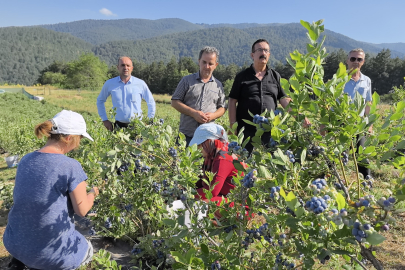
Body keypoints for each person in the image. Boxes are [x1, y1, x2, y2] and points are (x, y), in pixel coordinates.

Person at [4, 110, 99, 270]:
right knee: (88, 247)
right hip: (53, 257)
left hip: (14, 243)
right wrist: (93, 192)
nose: (79, 144)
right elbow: (82, 210)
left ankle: (23, 261)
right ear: (69, 138)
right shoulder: (70, 166)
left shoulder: (26, 159)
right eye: (80, 139)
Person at [228, 39, 310, 153]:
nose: (263, 53)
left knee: (269, 163)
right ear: (252, 55)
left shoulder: (275, 76)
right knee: (246, 164)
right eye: (260, 50)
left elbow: (284, 100)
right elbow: (232, 100)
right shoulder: (242, 76)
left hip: (269, 131)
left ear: (269, 55)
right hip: (247, 131)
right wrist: (233, 125)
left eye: (266, 50)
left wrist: (299, 117)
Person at [171, 46, 226, 146]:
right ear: (199, 61)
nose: (207, 66)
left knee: (205, 162)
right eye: (204, 62)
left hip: (208, 138)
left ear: (216, 65)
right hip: (186, 135)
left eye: (210, 63)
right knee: (180, 161)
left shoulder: (218, 85)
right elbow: (175, 102)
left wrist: (212, 115)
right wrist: (193, 113)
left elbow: (222, 108)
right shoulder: (186, 81)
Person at [97, 56, 156, 131]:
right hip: (118, 127)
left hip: (137, 126)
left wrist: (149, 120)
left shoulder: (140, 84)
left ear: (132, 68)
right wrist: (104, 120)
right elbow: (100, 101)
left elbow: (151, 102)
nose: (125, 68)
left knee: (137, 143)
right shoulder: (110, 83)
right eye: (122, 65)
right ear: (118, 67)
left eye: (128, 65)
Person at [189, 123, 238, 205]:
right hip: (225, 197)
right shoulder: (213, 155)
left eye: (200, 145)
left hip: (239, 204)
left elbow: (212, 191)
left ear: (209, 142)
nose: (198, 149)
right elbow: (200, 182)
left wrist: (187, 195)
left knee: (201, 204)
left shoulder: (223, 158)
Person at [343, 48, 373, 178]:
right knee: (339, 155)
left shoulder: (366, 80)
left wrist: (369, 124)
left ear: (363, 62)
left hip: (359, 124)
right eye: (353, 59)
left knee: (362, 156)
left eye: (359, 59)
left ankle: (367, 183)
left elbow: (368, 103)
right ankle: (331, 181)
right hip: (342, 122)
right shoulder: (339, 78)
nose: (356, 61)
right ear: (347, 61)